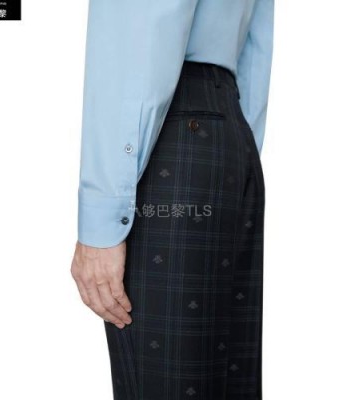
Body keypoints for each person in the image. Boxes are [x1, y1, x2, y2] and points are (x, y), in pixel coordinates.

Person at [70, 1, 274, 399]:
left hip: (173, 141)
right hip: (229, 138)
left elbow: (142, 36)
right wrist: (235, 155)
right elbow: (257, 45)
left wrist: (103, 216)